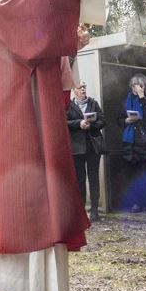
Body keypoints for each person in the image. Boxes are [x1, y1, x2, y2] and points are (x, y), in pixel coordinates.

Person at [0, 0, 132, 291]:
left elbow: (47, 58)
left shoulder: (28, 11)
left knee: (40, 204)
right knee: (17, 204)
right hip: (16, 123)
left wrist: (69, 44)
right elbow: (47, 10)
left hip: (36, 120)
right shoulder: (10, 0)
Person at [65, 82, 103, 222]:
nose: (83, 90)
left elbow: (102, 120)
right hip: (77, 148)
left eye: (84, 87)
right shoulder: (69, 105)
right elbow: (64, 122)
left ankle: (94, 210)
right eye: (80, 88)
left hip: (93, 146)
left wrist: (91, 125)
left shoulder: (93, 103)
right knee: (80, 179)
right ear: (74, 90)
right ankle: (81, 210)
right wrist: (79, 123)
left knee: (94, 178)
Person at [121, 74, 146, 213]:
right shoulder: (127, 99)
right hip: (131, 142)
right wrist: (126, 121)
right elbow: (118, 118)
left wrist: (142, 97)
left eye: (139, 86)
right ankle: (137, 202)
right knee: (134, 175)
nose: (135, 89)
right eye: (133, 86)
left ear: (144, 86)